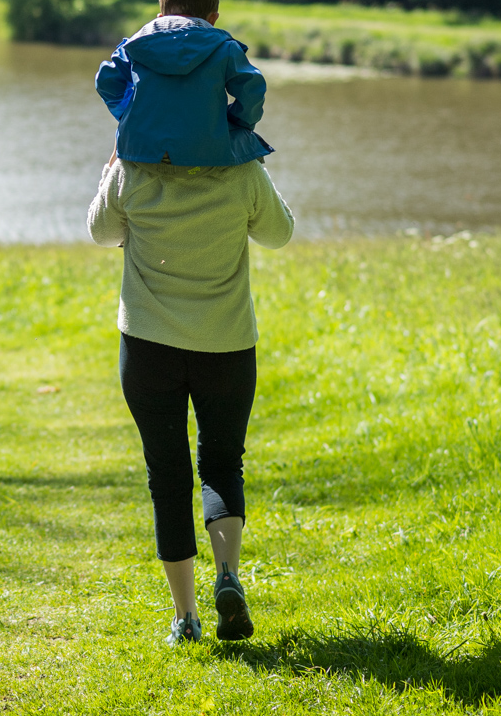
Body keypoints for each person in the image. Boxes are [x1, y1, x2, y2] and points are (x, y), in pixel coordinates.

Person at [87, 108, 294, 645]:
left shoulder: (134, 166)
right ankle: (227, 573)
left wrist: (111, 164)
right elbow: (280, 234)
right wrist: (254, 169)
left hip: (148, 346)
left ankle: (186, 618)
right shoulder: (242, 168)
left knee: (167, 476)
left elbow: (100, 232)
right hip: (225, 345)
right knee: (223, 465)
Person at [95, 0, 271, 168]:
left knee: (115, 158)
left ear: (160, 17)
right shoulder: (225, 49)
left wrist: (133, 114)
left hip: (140, 149)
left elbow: (107, 81)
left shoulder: (136, 45)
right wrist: (234, 121)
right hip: (205, 151)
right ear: (213, 18)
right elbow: (252, 92)